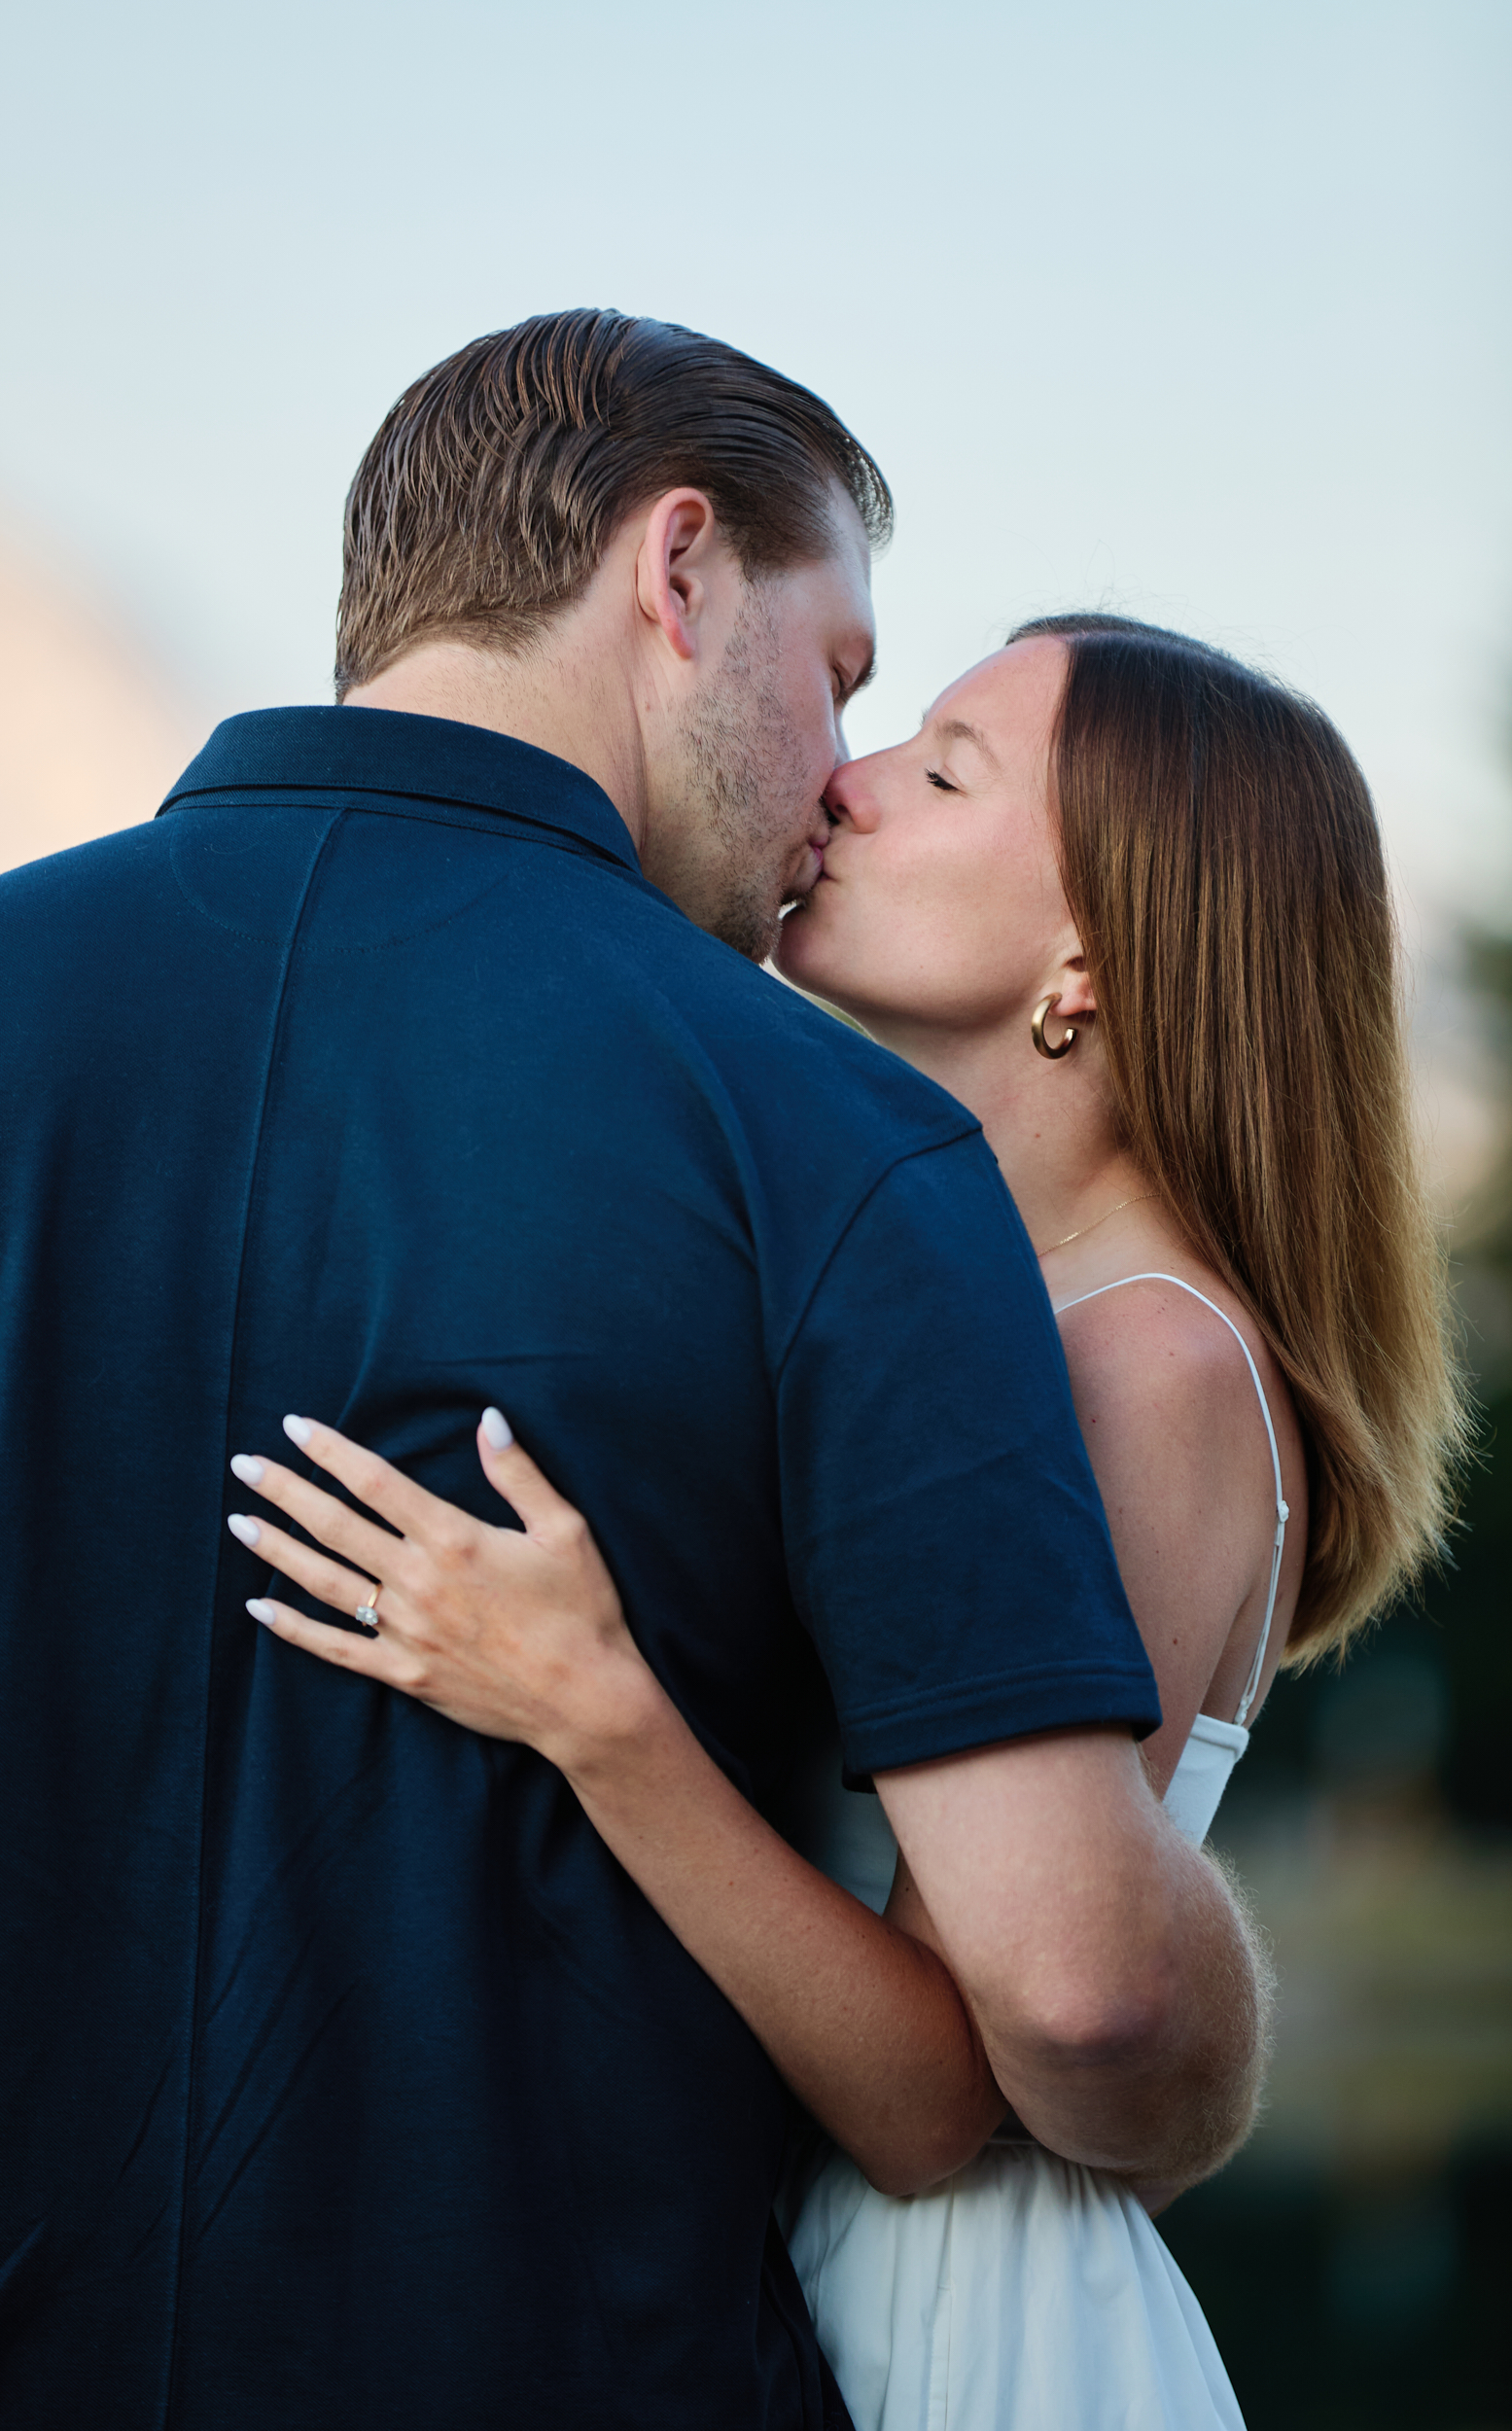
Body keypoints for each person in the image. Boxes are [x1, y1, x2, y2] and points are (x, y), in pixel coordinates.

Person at [0, 315, 1263, 2431]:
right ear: (679, 569)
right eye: (841, 672)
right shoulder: (837, 1149)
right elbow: (1060, 2004)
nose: (835, 773)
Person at [227, 615, 1463, 2427]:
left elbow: (931, 2095)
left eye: (941, 770)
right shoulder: (1018, 1314)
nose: (843, 786)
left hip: (958, 2325)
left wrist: (593, 1705)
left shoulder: (1142, 1368)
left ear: (1092, 958)